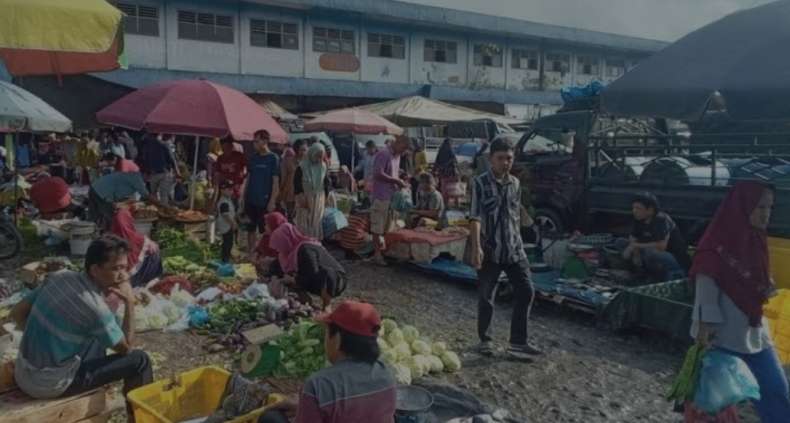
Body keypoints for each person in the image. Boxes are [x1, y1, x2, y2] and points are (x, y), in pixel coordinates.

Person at [10, 236, 152, 422]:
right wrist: (129, 302)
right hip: (50, 385)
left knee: (98, 335)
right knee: (140, 360)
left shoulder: (60, 277)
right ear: (95, 269)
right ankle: (139, 419)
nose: (123, 276)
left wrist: (42, 341)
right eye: (116, 268)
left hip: (24, 372)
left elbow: (17, 313)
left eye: (125, 268)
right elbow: (127, 348)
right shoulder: (95, 308)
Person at [690, 182, 790, 422]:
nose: (766, 214)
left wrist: (765, 288)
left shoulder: (755, 239)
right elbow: (705, 288)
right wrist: (705, 334)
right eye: (760, 207)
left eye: (769, 207)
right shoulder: (714, 247)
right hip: (720, 337)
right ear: (742, 206)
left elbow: (758, 279)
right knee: (716, 404)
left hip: (755, 333)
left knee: (776, 390)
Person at [258, 301, 396, 423]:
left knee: (270, 418)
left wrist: (308, 404)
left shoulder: (319, 384)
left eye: (326, 332)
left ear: (337, 339)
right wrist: (303, 406)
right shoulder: (386, 374)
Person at [469, 138, 541, 359]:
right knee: (486, 297)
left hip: (514, 249)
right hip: (490, 249)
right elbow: (475, 217)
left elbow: (515, 214)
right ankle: (486, 340)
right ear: (491, 159)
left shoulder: (515, 183)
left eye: (509, 158)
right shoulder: (479, 183)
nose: (505, 163)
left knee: (526, 291)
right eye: (500, 158)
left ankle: (518, 342)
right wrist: (476, 247)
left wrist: (529, 231)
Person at [269, 222, 347, 310]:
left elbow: (313, 273)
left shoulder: (306, 249)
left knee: (327, 274)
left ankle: (327, 304)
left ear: (286, 241)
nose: (278, 249)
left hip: (336, 280)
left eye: (279, 244)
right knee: (288, 278)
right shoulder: (287, 253)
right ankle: (306, 301)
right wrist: (273, 276)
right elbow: (275, 266)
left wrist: (292, 279)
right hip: (313, 279)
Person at [622, 192, 690, 281]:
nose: (634, 211)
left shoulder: (661, 220)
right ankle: (639, 272)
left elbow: (661, 246)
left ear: (650, 210)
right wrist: (636, 253)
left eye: (638, 208)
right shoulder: (638, 218)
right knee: (621, 242)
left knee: (651, 252)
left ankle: (661, 275)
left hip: (674, 258)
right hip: (650, 253)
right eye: (633, 208)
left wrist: (635, 246)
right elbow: (633, 237)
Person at [370, 136, 410, 266]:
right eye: (404, 148)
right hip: (381, 195)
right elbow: (378, 173)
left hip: (392, 196)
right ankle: (377, 255)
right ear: (398, 142)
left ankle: (385, 251)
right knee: (377, 226)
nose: (404, 151)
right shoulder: (384, 153)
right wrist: (396, 180)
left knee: (388, 226)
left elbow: (393, 172)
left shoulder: (397, 155)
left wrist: (401, 178)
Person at [242, 130, 280, 258]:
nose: (254, 144)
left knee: (265, 230)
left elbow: (275, 182)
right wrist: (243, 196)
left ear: (265, 141)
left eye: (257, 141)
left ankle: (263, 255)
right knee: (250, 228)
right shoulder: (253, 158)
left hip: (264, 200)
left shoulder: (273, 159)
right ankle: (251, 253)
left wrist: (272, 200)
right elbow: (248, 178)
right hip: (251, 199)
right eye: (254, 141)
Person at [89, 167, 160, 229]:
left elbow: (120, 188)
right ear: (145, 174)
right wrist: (159, 204)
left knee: (95, 216)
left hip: (95, 187)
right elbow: (146, 195)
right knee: (110, 215)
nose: (149, 179)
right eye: (149, 177)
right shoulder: (136, 177)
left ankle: (96, 233)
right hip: (102, 192)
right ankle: (109, 234)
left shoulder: (133, 174)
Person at [110, 209, 163, 287]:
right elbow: (150, 245)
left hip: (116, 276)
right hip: (130, 276)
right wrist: (150, 243)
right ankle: (149, 280)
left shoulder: (110, 237)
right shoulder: (133, 237)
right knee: (154, 251)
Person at [294, 143, 329, 239]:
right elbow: (297, 184)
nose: (319, 159)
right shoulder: (302, 167)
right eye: (317, 156)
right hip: (305, 197)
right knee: (305, 220)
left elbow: (326, 182)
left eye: (321, 157)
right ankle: (303, 241)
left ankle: (315, 241)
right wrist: (300, 197)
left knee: (316, 221)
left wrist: (326, 197)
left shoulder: (323, 166)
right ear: (312, 153)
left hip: (318, 198)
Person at [140, 134, 180, 206]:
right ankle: (164, 209)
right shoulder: (164, 144)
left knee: (154, 194)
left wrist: (146, 172)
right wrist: (177, 171)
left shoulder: (147, 146)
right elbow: (172, 160)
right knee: (163, 194)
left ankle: (156, 210)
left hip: (153, 173)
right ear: (159, 135)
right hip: (164, 173)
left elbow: (145, 160)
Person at [216, 180, 238, 264]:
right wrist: (233, 223)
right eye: (229, 190)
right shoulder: (223, 202)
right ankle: (225, 259)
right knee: (227, 243)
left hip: (228, 225)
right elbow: (225, 215)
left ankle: (227, 257)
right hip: (226, 226)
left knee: (229, 242)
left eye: (231, 189)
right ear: (222, 190)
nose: (231, 191)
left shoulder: (228, 200)